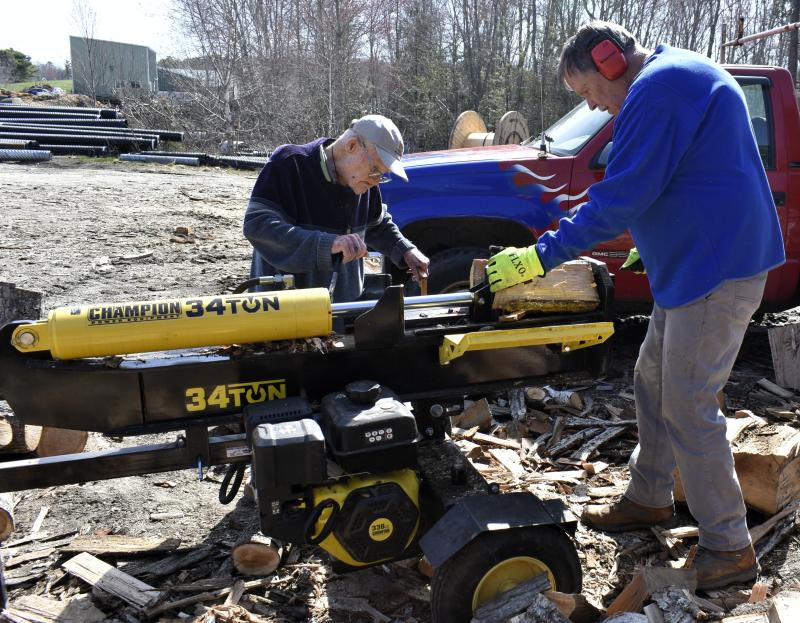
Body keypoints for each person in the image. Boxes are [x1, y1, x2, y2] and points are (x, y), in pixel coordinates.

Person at [486, 21, 785, 590]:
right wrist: (656, 243)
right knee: (652, 381)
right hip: (697, 263)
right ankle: (650, 496)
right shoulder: (676, 74)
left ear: (610, 60)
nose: (593, 105)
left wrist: (539, 256)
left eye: (588, 90)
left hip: (714, 271)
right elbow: (698, 172)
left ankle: (728, 547)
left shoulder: (660, 87)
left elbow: (620, 197)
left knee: (689, 404)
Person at [243, 114, 429, 302]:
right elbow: (258, 226)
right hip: (285, 307)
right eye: (375, 170)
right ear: (352, 146)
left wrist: (404, 250)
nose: (376, 181)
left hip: (342, 310)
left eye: (382, 175)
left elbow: (377, 225)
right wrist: (328, 244)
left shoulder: (364, 183)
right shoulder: (290, 163)